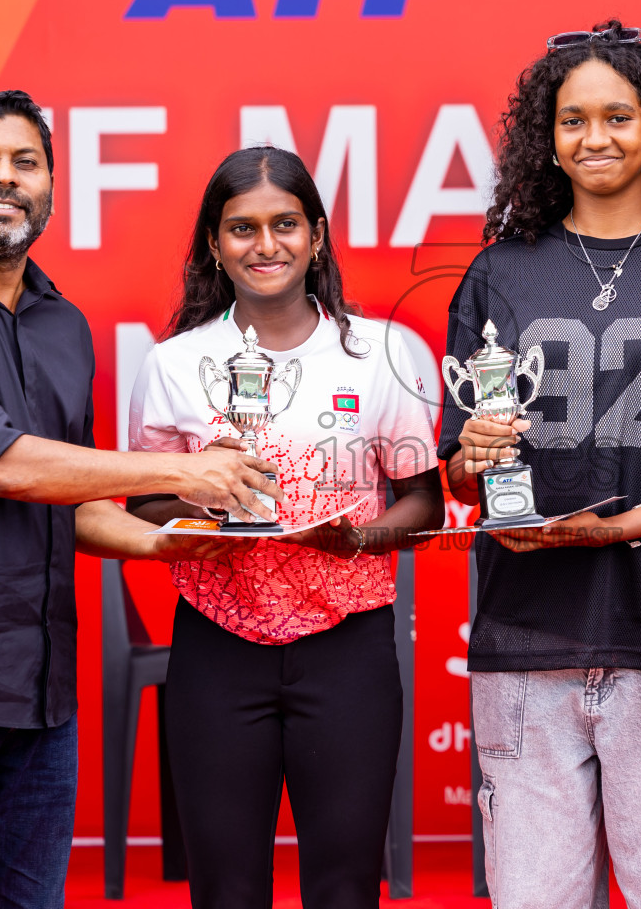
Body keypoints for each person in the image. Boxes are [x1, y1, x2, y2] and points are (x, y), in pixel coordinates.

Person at [0, 91, 287, 909]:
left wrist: (160, 544)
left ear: (50, 186)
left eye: (26, 163)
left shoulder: (63, 325)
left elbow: (67, 497)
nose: (4, 179)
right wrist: (181, 472)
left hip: (41, 690)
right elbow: (1, 466)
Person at [440, 21, 641, 908]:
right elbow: (462, 474)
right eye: (572, 120)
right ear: (546, 138)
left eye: (618, 117)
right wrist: (470, 456)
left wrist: (628, 524)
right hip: (525, 642)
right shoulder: (499, 274)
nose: (596, 139)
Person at [126, 146, 443, 908]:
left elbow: (425, 503)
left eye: (284, 225)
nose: (264, 246)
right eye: (241, 229)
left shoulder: (382, 356)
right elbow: (140, 504)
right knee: (225, 889)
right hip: (216, 645)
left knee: (343, 887)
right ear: (213, 243)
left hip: (349, 648)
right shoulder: (172, 364)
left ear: (318, 236)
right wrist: (202, 506)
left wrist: (360, 537)